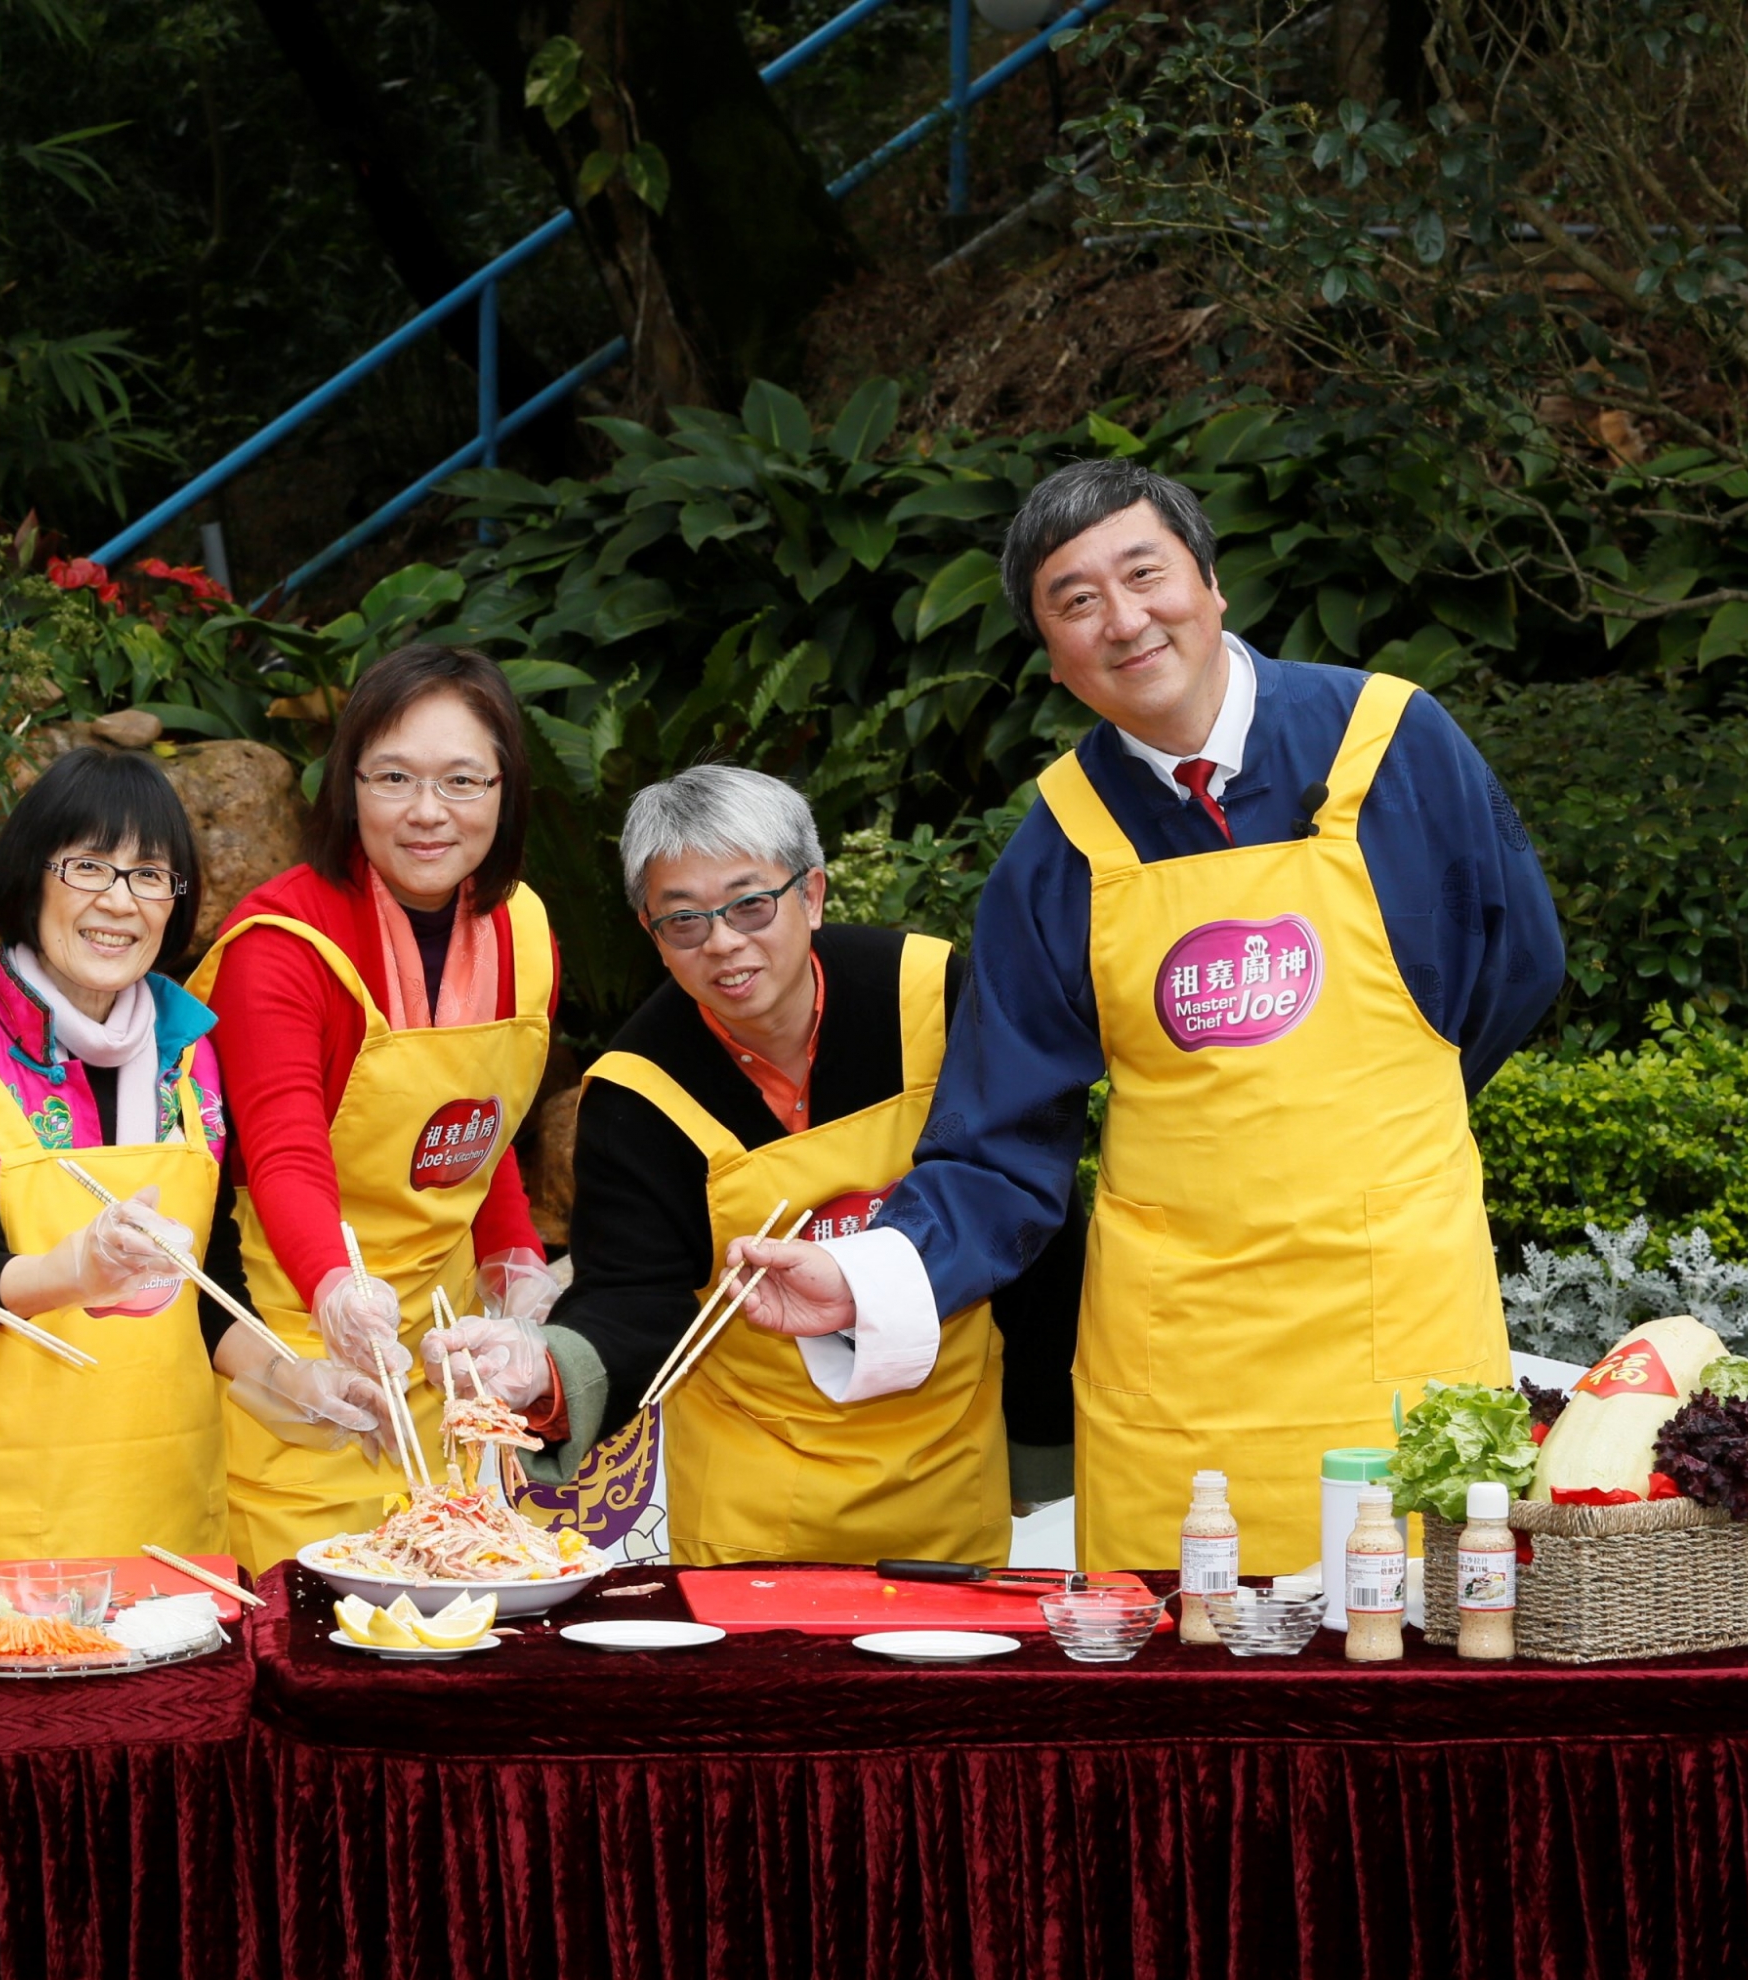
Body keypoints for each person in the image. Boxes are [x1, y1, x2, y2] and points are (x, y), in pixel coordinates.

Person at [726, 459, 1565, 1574]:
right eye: (1076, 602)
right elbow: (1000, 1143)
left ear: (1211, 582)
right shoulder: (1061, 844)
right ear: (1057, 660)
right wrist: (869, 1273)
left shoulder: (1392, 743)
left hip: (1397, 1339)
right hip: (1177, 1385)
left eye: (1144, 573)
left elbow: (1516, 968)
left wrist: (1368, 1129)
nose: (1124, 619)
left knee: (1412, 1686)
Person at [0, 747, 395, 1561]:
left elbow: (209, 1287)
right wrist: (79, 1272)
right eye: (88, 867)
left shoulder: (193, 1063)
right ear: (29, 878)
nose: (120, 901)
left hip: (168, 1512)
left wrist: (292, 1377)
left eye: (150, 876)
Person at [550, 767, 1085, 1566]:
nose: (724, 942)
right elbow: (635, 1298)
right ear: (651, 936)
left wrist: (1044, 1443)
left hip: (951, 1482)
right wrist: (549, 1370)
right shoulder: (638, 1088)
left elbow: (1028, 1215)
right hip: (755, 1512)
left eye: (750, 903)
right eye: (684, 922)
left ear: (812, 895)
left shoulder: (931, 996)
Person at [191, 644, 588, 1575]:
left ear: (505, 789)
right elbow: (284, 1156)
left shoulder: (526, 928)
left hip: (454, 1367)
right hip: (300, 1359)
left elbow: (477, 1142)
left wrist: (517, 1266)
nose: (426, 812)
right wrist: (335, 1289)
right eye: (395, 777)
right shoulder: (281, 945)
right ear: (347, 785)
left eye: (461, 780)